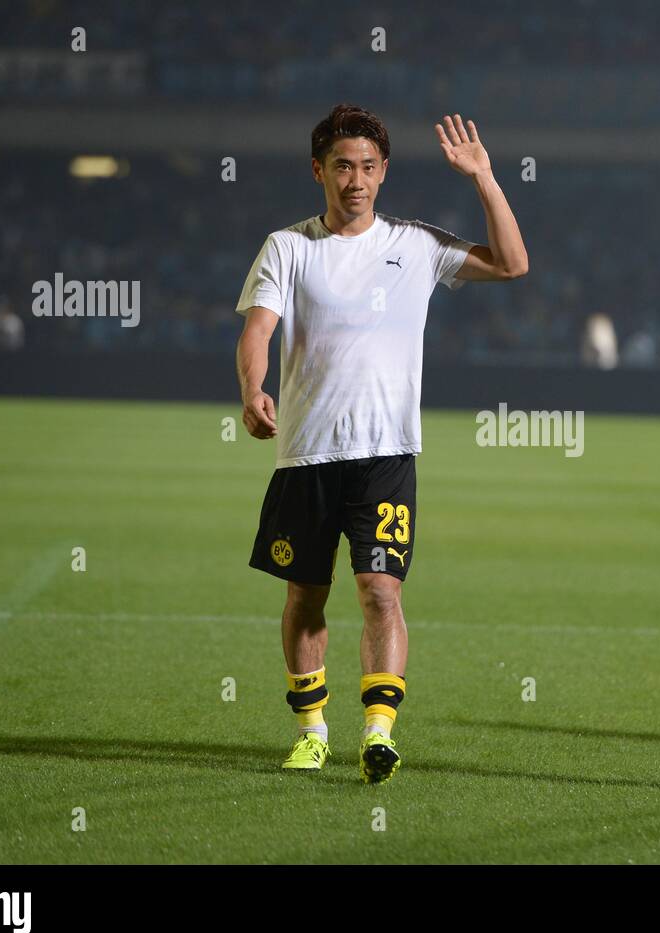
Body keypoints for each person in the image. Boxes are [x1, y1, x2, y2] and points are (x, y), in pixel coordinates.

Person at [235, 104, 528, 783]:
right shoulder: (289, 246)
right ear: (319, 171)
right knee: (305, 597)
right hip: (307, 453)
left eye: (368, 166)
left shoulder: (416, 245)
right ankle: (311, 730)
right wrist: (252, 389)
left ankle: (378, 732)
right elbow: (258, 330)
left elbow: (513, 264)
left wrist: (484, 177)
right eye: (342, 166)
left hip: (386, 455)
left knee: (380, 591)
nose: (356, 179)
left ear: (384, 172)